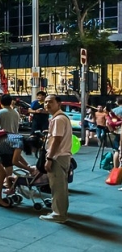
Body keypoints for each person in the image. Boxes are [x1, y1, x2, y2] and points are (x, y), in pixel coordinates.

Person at [0, 132, 41, 208]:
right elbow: (15, 161)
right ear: (31, 145)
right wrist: (29, 169)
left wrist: (28, 166)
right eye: (35, 149)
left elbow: (17, 157)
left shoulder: (20, 139)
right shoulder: (19, 144)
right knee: (1, 174)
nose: (34, 151)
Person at [40, 95, 72, 223]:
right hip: (63, 156)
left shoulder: (58, 119)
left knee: (57, 186)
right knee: (61, 186)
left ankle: (59, 214)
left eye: (50, 102)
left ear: (59, 103)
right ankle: (60, 211)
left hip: (58, 157)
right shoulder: (61, 117)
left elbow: (57, 140)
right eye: (45, 102)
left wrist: (49, 158)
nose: (47, 104)